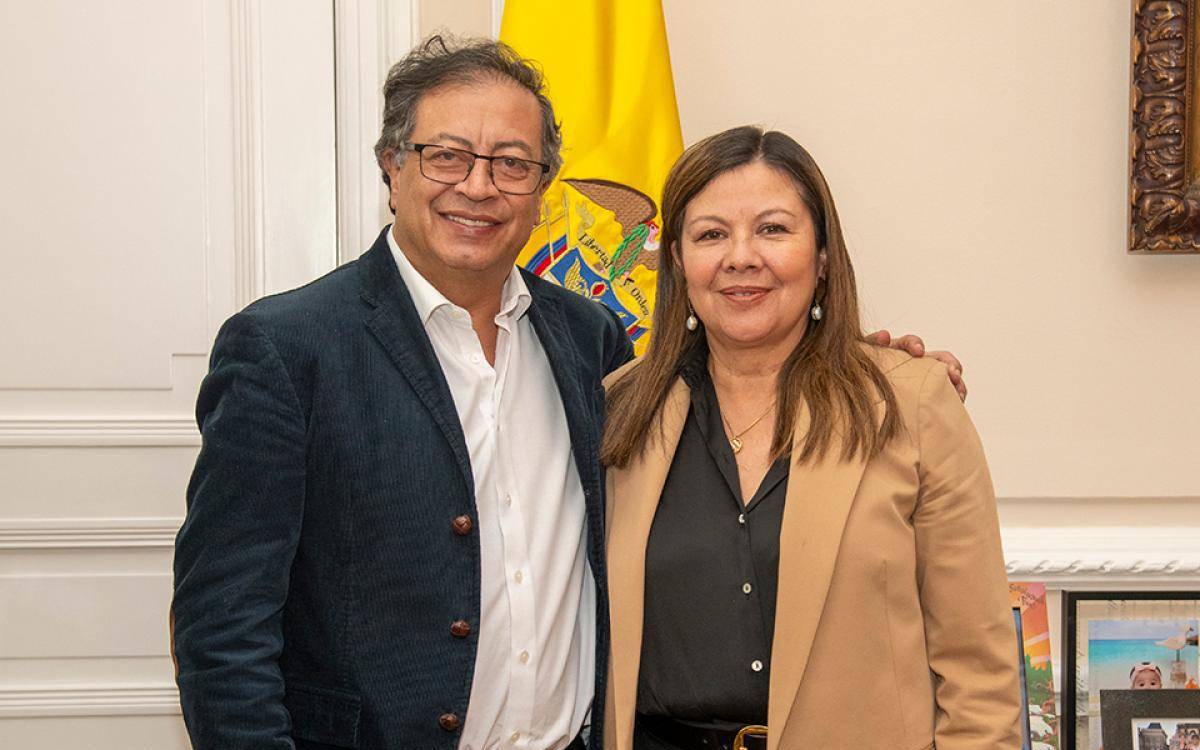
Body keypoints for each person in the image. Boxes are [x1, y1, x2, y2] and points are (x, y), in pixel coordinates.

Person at [172, 35, 958, 750]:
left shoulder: (593, 345)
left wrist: (875, 363)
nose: (478, 187)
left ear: (543, 185)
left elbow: (745, 366)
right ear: (392, 165)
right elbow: (223, 629)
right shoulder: (287, 349)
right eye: (447, 156)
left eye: (512, 163)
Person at [600, 126, 1019, 750]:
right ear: (679, 263)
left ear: (822, 259)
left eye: (773, 229)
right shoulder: (619, 410)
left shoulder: (913, 404)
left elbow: (978, 673)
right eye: (711, 234)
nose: (741, 256)